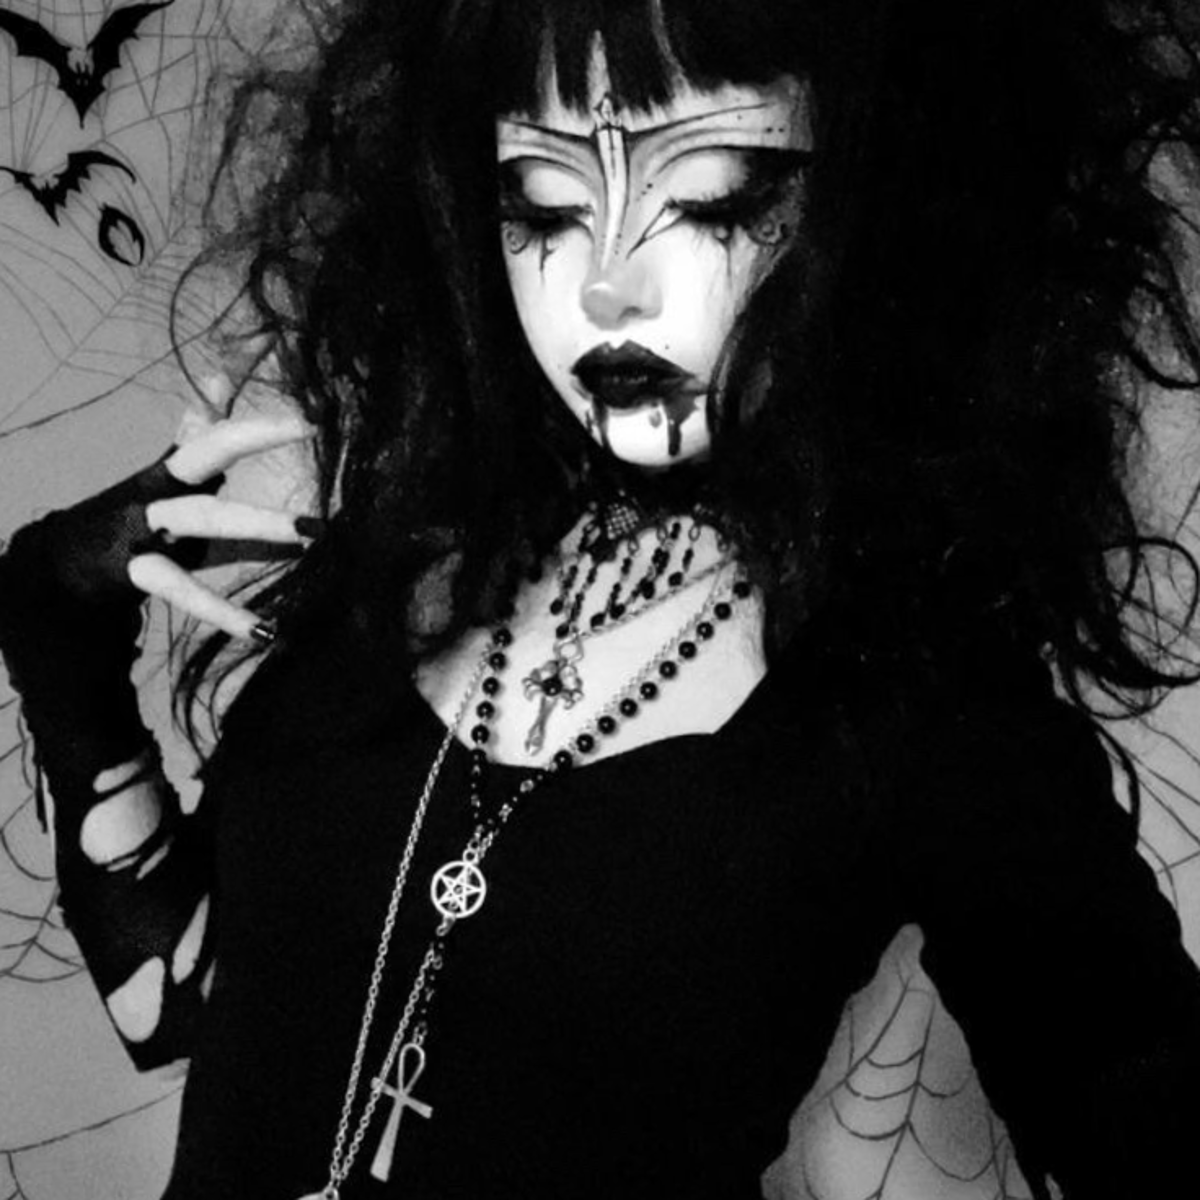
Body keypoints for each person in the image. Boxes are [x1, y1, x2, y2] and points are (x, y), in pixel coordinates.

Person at [2, 0, 1200, 1196]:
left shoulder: (919, 694)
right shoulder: (411, 543)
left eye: (716, 198)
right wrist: (61, 608)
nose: (607, 288)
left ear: (883, 202)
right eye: (543, 204)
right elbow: (179, 1008)